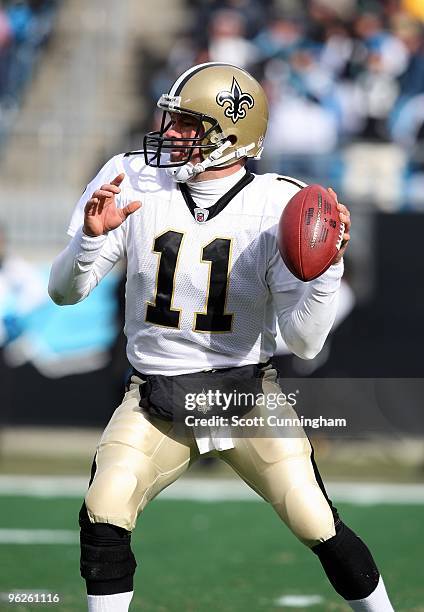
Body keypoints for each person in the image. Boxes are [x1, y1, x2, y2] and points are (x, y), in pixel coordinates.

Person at [48, 62, 394, 612]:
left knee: (314, 517)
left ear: (228, 135)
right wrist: (91, 241)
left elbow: (304, 343)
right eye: (172, 118)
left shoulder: (280, 203)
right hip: (155, 395)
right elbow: (64, 293)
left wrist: (325, 271)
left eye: (188, 124)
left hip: (246, 395)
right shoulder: (131, 177)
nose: (169, 132)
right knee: (106, 505)